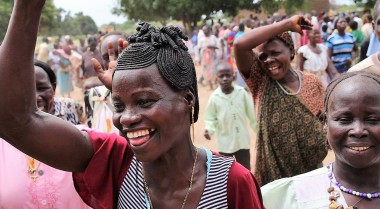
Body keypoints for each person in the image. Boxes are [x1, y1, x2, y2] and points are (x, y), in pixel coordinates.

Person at [0, 1, 264, 209]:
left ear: (187, 100)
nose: (126, 118)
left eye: (144, 101)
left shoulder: (230, 182)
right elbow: (15, 120)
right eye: (119, 105)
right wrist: (28, 5)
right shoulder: (116, 162)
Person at [261, 71, 380, 209]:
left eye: (373, 120)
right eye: (344, 120)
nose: (358, 131)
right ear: (325, 123)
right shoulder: (285, 198)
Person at [234, 15, 328, 186]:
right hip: (275, 179)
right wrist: (287, 24)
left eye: (275, 53)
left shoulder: (313, 82)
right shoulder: (260, 80)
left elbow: (324, 119)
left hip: (312, 173)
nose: (269, 60)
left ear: (291, 51)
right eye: (263, 56)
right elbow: (240, 45)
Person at [0, 60, 88, 208]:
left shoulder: (82, 139)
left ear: (53, 88)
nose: (34, 97)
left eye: (41, 88)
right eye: (24, 89)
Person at [204, 62, 256, 170]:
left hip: (242, 142)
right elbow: (210, 118)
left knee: (245, 169)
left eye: (228, 75)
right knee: (227, 172)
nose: (225, 78)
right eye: (221, 76)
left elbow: (252, 115)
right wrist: (209, 129)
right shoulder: (214, 98)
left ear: (234, 76)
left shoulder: (241, 93)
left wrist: (259, 131)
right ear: (216, 78)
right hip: (225, 144)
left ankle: (246, 187)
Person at [84, 31, 127, 134]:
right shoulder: (94, 96)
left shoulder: (149, 93)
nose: (114, 62)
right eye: (106, 58)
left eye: (121, 53)